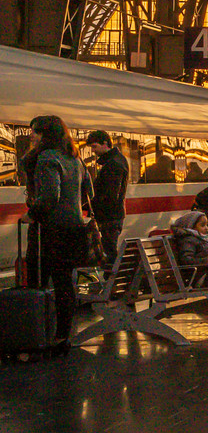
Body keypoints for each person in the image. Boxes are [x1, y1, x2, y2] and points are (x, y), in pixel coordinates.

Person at [20, 115, 91, 351]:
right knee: (63, 283)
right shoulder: (74, 159)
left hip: (48, 230)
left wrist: (34, 213)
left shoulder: (47, 158)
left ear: (46, 134)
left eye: (36, 131)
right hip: (74, 228)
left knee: (37, 282)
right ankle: (62, 336)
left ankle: (35, 335)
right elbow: (86, 191)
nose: (31, 134)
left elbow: (50, 196)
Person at [85, 130, 128, 268]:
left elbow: (109, 195)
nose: (93, 151)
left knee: (109, 252)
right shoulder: (117, 161)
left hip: (109, 216)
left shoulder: (113, 165)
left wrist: (89, 206)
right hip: (112, 215)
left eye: (95, 146)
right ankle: (112, 282)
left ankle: (112, 282)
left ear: (105, 143)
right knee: (109, 250)